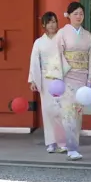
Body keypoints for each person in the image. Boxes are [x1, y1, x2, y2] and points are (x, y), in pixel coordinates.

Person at [56, 1, 91, 161]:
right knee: (68, 113)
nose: (79, 16)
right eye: (75, 14)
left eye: (81, 13)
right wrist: (60, 76)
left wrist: (90, 77)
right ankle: (71, 148)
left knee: (78, 113)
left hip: (82, 77)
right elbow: (57, 55)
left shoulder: (88, 36)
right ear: (69, 16)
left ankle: (74, 146)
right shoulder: (62, 33)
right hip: (67, 76)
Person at [28, 12, 66, 154]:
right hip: (46, 79)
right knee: (48, 110)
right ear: (44, 24)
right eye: (49, 22)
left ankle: (63, 142)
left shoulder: (62, 39)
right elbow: (34, 61)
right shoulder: (39, 42)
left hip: (61, 77)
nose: (52, 25)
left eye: (54, 22)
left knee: (62, 110)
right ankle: (51, 142)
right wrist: (33, 79)